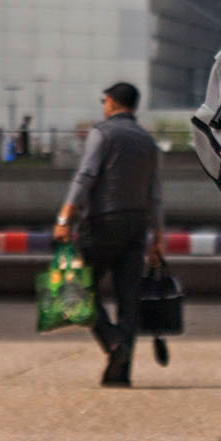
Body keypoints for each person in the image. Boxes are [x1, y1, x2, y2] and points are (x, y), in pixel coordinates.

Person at [53, 82, 164, 386]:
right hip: (137, 225)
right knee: (128, 299)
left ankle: (114, 343)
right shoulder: (147, 140)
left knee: (76, 287)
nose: (103, 105)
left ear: (113, 103)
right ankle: (121, 372)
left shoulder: (101, 133)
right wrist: (158, 236)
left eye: (104, 100)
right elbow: (155, 193)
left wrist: (64, 216)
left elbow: (86, 175)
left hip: (101, 223)